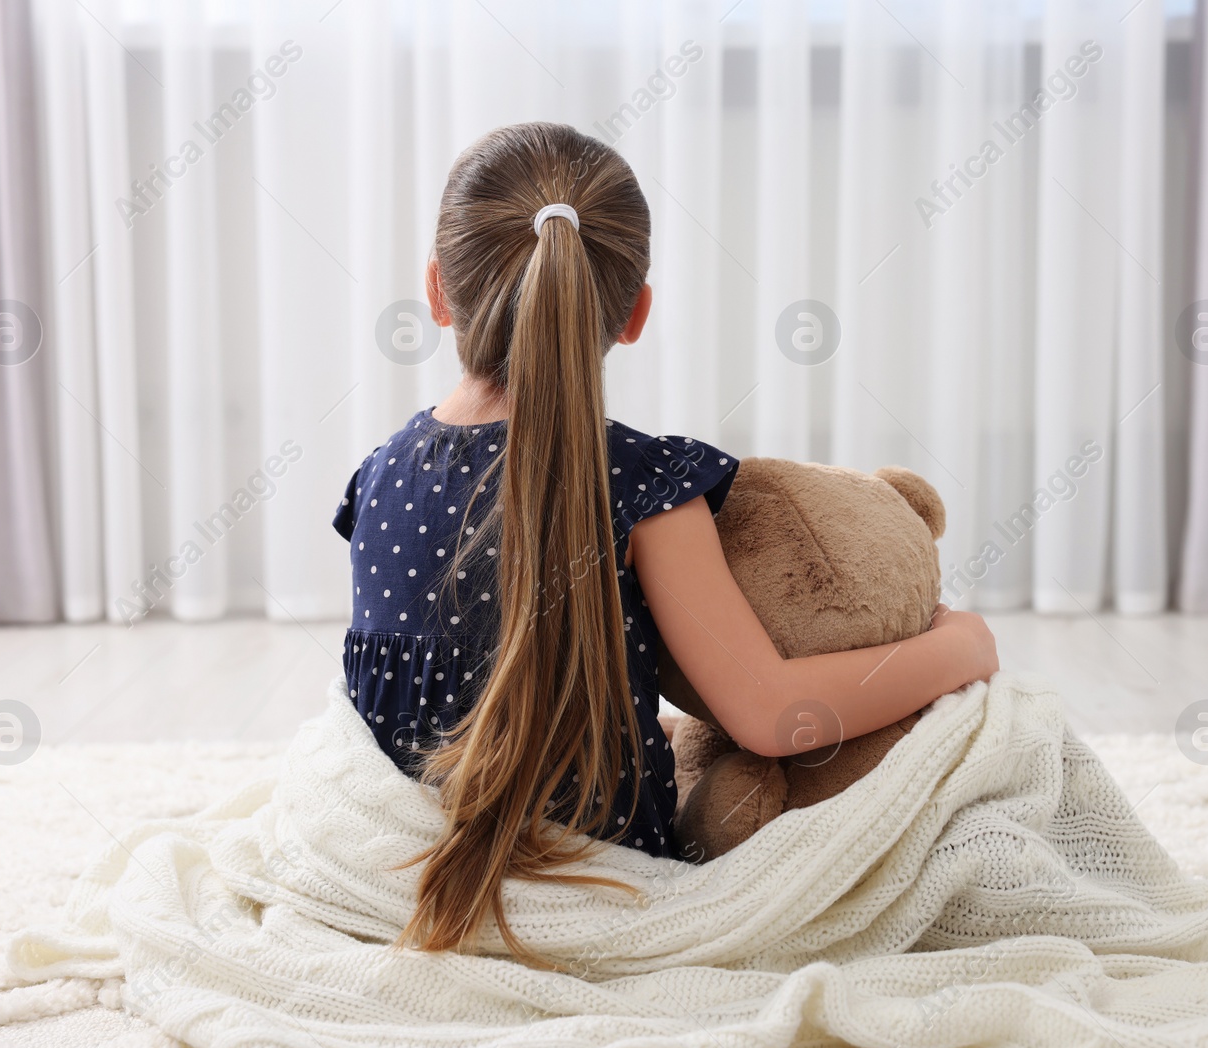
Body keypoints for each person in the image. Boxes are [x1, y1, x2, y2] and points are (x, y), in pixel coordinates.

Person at [331, 122, 998, 962]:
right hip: (592, 867)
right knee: (996, 740)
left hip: (400, 855)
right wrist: (960, 647)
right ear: (635, 311)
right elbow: (771, 712)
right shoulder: (643, 484)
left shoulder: (377, 478)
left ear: (436, 291)